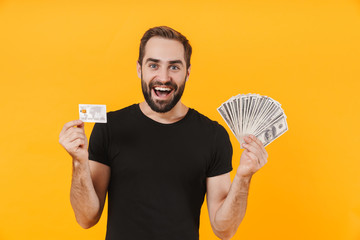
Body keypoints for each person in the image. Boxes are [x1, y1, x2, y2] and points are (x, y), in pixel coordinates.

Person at [59, 26, 268, 240]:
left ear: (187, 72)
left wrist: (244, 177)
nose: (164, 77)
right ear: (140, 69)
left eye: (174, 67)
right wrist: (78, 163)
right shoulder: (110, 127)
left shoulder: (213, 136)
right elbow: (86, 218)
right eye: (154, 65)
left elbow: (225, 230)